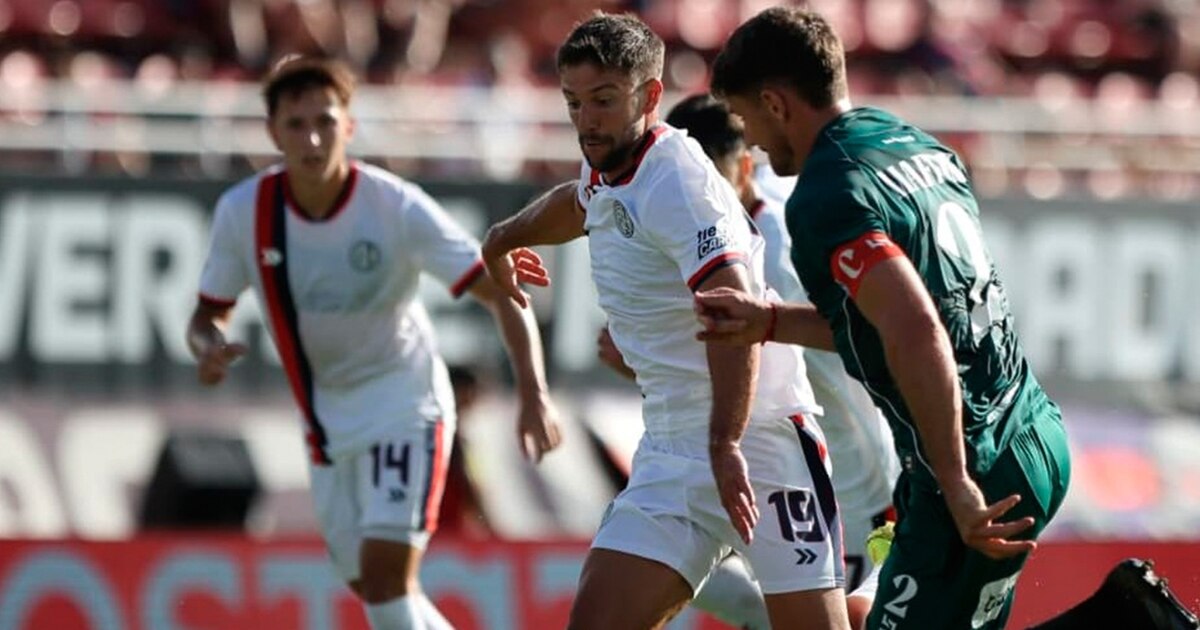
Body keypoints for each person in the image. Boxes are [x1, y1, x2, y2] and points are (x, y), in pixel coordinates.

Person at [698, 7, 1198, 630]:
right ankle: (1127, 616)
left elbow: (915, 327)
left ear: (775, 103)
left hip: (973, 462)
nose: (755, 143)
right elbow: (894, 320)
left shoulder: (826, 195)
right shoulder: (911, 142)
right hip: (1030, 430)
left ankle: (1127, 623)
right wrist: (770, 322)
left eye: (746, 118)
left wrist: (957, 479)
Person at [481, 13, 850, 630]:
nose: (586, 119)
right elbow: (581, 201)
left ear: (649, 96)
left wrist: (724, 443)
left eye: (603, 100)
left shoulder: (678, 182)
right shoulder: (609, 160)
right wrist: (504, 237)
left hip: (759, 442)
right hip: (672, 448)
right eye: (573, 102)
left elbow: (732, 307)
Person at [187, 55, 562, 630]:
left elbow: (502, 292)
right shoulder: (244, 212)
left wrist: (534, 394)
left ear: (350, 126)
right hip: (327, 425)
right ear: (272, 133)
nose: (313, 139)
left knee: (387, 585)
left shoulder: (394, 206)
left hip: (403, 406)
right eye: (296, 125)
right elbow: (206, 315)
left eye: (326, 122)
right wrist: (208, 346)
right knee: (374, 587)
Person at [590, 92, 903, 629]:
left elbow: (844, 350)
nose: (698, 197)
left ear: (743, 170)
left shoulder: (773, 255)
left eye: (710, 181)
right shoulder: (703, 218)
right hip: (755, 459)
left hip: (847, 485)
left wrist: (641, 365)